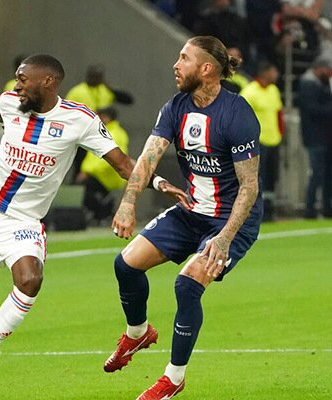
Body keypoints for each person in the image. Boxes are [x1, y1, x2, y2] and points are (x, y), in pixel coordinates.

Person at [0, 54, 188, 400]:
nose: (16, 86)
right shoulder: (8, 104)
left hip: (21, 220)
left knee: (30, 280)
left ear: (48, 82)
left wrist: (159, 184)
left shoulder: (80, 120)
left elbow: (123, 164)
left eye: (22, 79)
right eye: (16, 80)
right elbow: (6, 148)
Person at [106, 36, 261, 399]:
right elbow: (147, 158)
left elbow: (249, 187)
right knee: (125, 265)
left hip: (230, 221)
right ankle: (137, 333)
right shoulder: (175, 107)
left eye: (184, 58)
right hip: (191, 212)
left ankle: (173, 378)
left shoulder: (237, 114)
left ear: (206, 69)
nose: (176, 65)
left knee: (187, 284)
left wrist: (223, 239)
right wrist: (128, 202)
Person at [240, 61, 283, 221]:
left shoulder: (274, 90)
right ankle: (256, 211)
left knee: (272, 177)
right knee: (257, 177)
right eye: (273, 71)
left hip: (274, 140)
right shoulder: (249, 92)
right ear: (265, 72)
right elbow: (241, 118)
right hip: (258, 142)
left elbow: (279, 114)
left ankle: (270, 210)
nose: (276, 75)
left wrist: (281, 133)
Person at [77, 106, 129, 225]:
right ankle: (103, 213)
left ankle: (102, 214)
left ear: (107, 117)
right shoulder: (111, 131)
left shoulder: (112, 133)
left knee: (83, 189)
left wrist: (87, 171)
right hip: (101, 175)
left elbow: (108, 158)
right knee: (86, 190)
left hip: (106, 176)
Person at [296, 58, 332, 218]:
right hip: (315, 137)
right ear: (318, 69)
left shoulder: (321, 84)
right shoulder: (308, 84)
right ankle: (309, 209)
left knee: (326, 174)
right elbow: (313, 110)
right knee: (316, 173)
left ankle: (326, 207)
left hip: (324, 137)